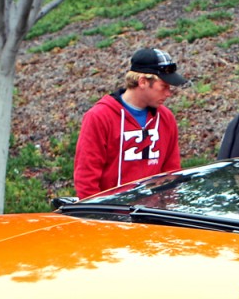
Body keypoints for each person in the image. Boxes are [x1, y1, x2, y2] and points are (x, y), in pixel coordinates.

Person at [73, 48, 188, 199]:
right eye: (164, 86)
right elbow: (86, 178)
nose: (168, 93)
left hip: (152, 217)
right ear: (143, 82)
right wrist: (97, 215)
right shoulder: (99, 117)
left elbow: (171, 173)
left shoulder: (166, 118)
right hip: (109, 216)